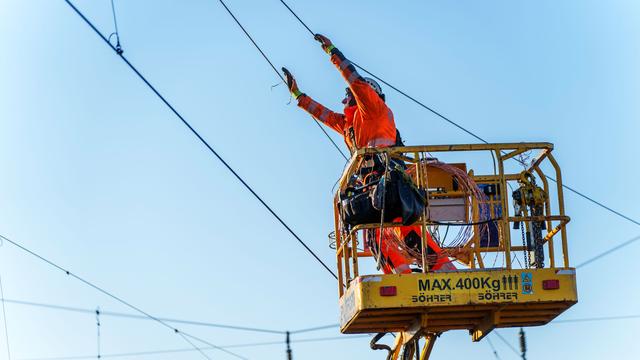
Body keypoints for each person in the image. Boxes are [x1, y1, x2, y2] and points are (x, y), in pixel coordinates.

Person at [282, 34, 450, 274]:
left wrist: (332, 52)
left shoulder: (373, 108)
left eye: (348, 96)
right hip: (371, 186)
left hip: (390, 181)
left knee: (404, 229)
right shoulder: (350, 125)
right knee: (375, 237)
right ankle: (403, 276)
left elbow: (355, 82)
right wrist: (298, 96)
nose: (345, 99)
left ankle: (441, 269)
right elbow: (324, 115)